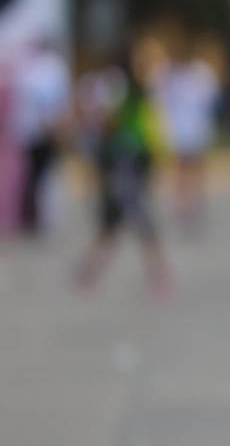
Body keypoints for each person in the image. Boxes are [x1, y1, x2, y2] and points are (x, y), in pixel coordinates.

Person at [75, 37, 174, 299]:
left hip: (124, 158)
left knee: (131, 214)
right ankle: (91, 271)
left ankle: (158, 274)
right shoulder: (135, 86)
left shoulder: (119, 83)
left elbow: (109, 119)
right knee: (116, 217)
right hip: (132, 158)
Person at [155, 37, 221, 232]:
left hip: (197, 128)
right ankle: (181, 204)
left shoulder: (202, 72)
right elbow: (159, 102)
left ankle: (195, 202)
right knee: (179, 169)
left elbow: (210, 100)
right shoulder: (165, 73)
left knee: (196, 168)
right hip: (176, 130)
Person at [14, 37, 71, 236]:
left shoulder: (32, 68)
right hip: (43, 129)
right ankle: (36, 217)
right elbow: (50, 100)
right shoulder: (51, 69)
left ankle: (30, 216)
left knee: (34, 174)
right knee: (40, 175)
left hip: (31, 130)